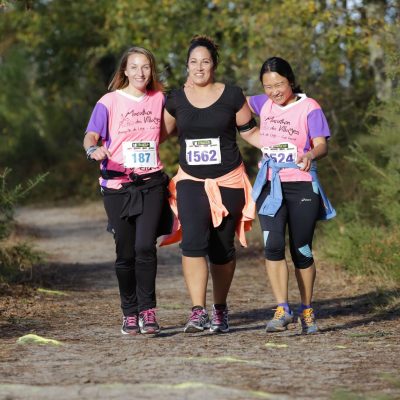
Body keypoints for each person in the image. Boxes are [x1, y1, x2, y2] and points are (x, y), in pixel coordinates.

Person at [162, 35, 259, 334]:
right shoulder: (175, 99)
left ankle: (219, 309)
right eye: (193, 62)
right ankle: (197, 311)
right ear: (187, 65)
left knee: (221, 249)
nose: (199, 67)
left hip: (228, 181)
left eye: (205, 61)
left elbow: (250, 132)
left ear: (214, 64)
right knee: (192, 242)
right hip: (191, 181)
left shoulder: (232, 95)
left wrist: (284, 146)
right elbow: (159, 136)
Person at [83, 46, 171, 336]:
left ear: (152, 70)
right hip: (117, 186)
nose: (140, 73)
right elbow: (91, 135)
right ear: (124, 71)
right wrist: (93, 149)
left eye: (145, 67)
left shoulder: (159, 99)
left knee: (146, 246)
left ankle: (148, 311)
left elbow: (173, 127)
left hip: (151, 183)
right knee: (125, 251)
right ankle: (129, 313)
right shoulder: (108, 101)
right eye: (134, 67)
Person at [248, 57, 336, 335]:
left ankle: (307, 310)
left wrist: (310, 153)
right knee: (273, 246)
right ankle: (282, 308)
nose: (274, 91)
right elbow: (231, 101)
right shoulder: (263, 104)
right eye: (268, 86)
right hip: (270, 185)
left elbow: (321, 144)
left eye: (279, 84)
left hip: (301, 185)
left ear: (291, 80)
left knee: (302, 249)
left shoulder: (309, 107)